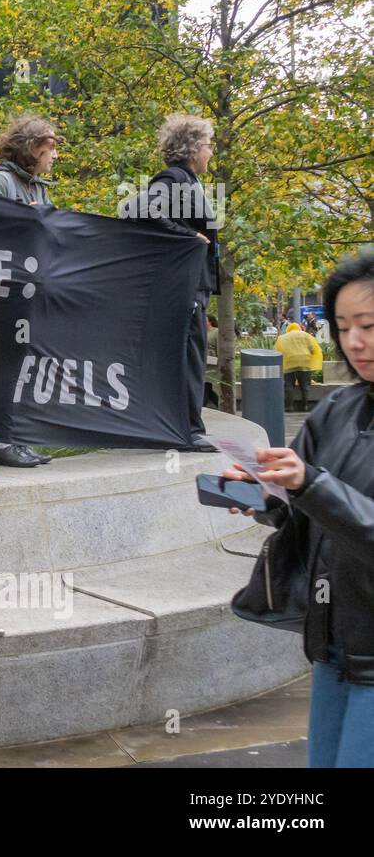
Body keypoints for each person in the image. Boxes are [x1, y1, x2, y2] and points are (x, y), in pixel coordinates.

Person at [222, 252, 374, 767]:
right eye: (345, 326)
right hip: (332, 644)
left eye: (370, 325)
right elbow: (303, 508)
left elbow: (324, 493)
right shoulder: (337, 409)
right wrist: (264, 495)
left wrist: (311, 483)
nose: (355, 342)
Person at [122, 113, 219, 451]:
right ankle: (186, 430)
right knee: (186, 356)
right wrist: (189, 236)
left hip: (191, 283)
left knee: (188, 355)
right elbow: (138, 211)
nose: (211, 152)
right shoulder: (174, 179)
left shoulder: (186, 181)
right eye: (207, 145)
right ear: (192, 148)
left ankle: (186, 427)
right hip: (185, 285)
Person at [0, 115, 59, 468]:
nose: (54, 155)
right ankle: (1, 442)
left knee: (22, 362)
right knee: (9, 364)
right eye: (50, 147)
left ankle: (17, 438)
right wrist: (24, 218)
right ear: (31, 148)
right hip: (5, 289)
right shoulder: (0, 183)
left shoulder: (38, 187)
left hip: (30, 287)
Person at [275, 322, 323, 412]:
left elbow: (277, 351)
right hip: (304, 363)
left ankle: (289, 406)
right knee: (305, 386)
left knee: (289, 385)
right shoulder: (306, 335)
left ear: (288, 329)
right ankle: (305, 406)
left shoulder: (282, 338)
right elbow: (315, 348)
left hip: (289, 364)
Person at [204, 314, 220, 408]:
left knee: (206, 387)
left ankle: (202, 407)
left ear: (210, 321)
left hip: (212, 365)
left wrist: (218, 360)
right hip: (204, 365)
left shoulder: (216, 332)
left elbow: (219, 348)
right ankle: (221, 405)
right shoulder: (203, 332)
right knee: (208, 389)